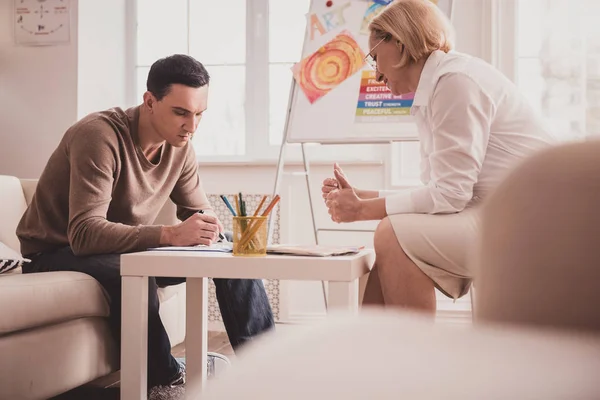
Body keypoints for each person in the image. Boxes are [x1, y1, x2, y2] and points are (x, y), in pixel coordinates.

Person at [16, 54, 274, 389]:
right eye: (181, 112)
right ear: (149, 102)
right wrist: (169, 233)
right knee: (133, 276)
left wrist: (209, 228)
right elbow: (83, 234)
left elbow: (198, 211)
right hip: (55, 251)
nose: (192, 126)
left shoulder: (180, 147)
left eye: (199, 114)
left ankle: (271, 372)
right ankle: (165, 380)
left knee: (232, 258)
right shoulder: (98, 136)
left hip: (122, 249)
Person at [322, 0, 556, 314]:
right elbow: (442, 190)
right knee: (394, 237)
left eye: (375, 58)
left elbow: (449, 196)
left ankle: (416, 359)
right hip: (503, 211)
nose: (376, 73)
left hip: (530, 220)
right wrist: (365, 196)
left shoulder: (455, 82)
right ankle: (373, 360)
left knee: (392, 234)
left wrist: (362, 209)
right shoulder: (440, 85)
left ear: (400, 43)